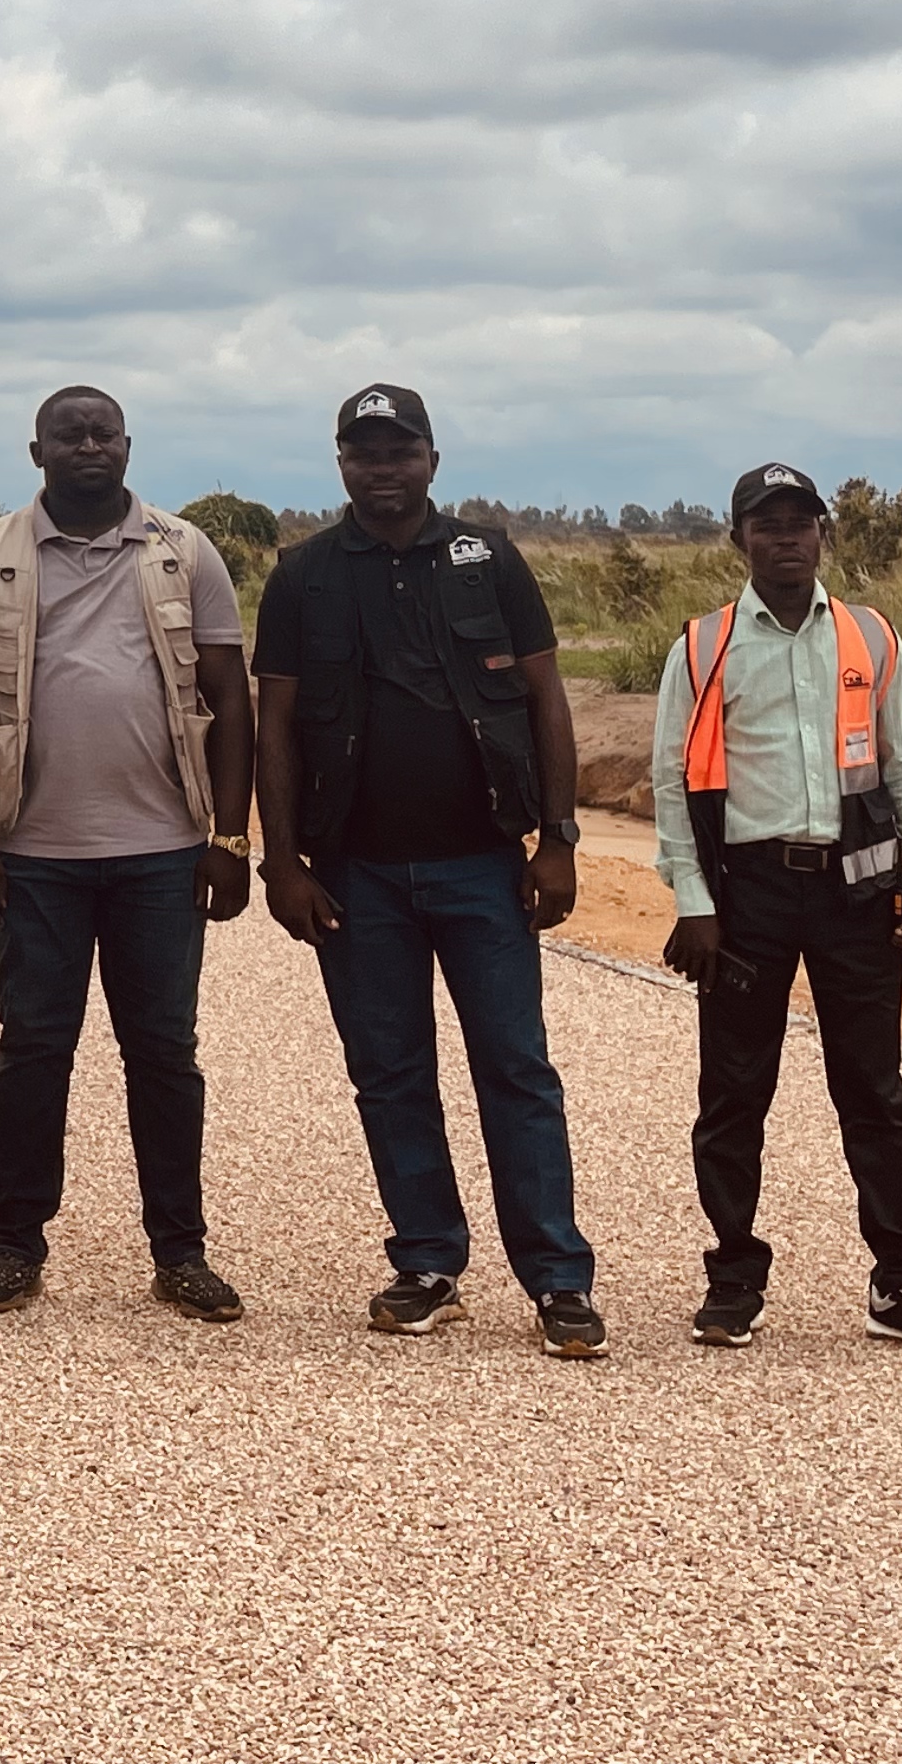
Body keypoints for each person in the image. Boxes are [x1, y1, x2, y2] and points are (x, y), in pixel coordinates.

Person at [250, 384, 605, 1358]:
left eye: (399, 451)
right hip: (355, 876)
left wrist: (559, 839)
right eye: (363, 453)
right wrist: (281, 862)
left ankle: (559, 1280)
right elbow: (276, 724)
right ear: (340, 464)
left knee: (516, 1070)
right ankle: (427, 1263)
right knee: (390, 1073)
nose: (383, 468)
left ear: (432, 461)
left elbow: (545, 697)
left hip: (483, 868)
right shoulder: (304, 576)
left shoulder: (488, 559)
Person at [0, 385, 255, 1324]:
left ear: (127, 445)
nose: (88, 446)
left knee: (164, 1053)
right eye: (68, 434)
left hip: (163, 853)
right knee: (33, 1050)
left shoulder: (184, 551)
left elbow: (230, 694)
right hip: (32, 853)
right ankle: (15, 1246)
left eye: (102, 433)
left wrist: (229, 837)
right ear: (36, 451)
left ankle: (181, 1253)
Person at [654, 463, 902, 1359]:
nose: (787, 538)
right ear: (738, 540)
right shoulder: (703, 648)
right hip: (747, 898)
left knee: (874, 1093)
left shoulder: (871, 638)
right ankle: (734, 1277)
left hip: (857, 892)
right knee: (733, 1095)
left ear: (823, 535)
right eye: (768, 524)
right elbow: (673, 783)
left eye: (801, 522)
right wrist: (694, 902)